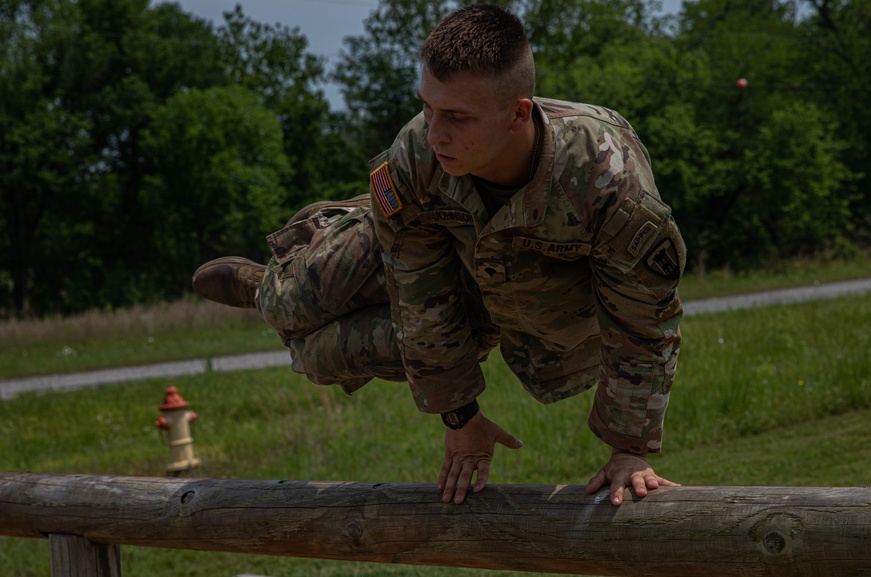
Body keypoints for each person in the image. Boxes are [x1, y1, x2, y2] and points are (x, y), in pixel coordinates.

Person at [193, 4, 686, 507]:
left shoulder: (606, 175)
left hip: (519, 296)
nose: (434, 133)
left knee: (321, 357)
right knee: (289, 304)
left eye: (456, 117)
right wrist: (460, 417)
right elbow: (420, 292)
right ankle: (268, 285)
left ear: (518, 113)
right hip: (426, 235)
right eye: (428, 108)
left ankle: (296, 325)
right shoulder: (418, 154)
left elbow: (643, 320)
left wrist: (628, 449)